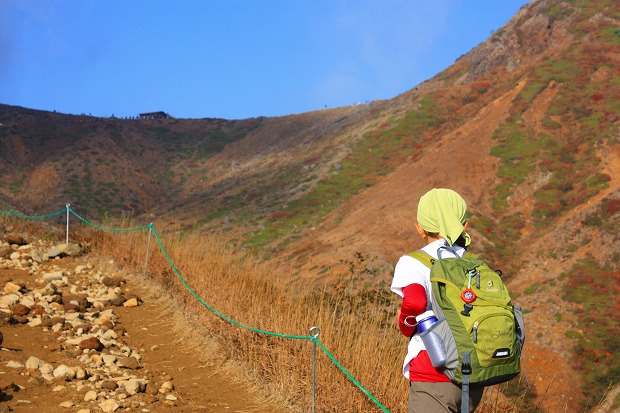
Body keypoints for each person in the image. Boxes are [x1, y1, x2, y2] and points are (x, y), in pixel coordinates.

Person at [391, 188, 484, 413]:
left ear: (420, 228)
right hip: (473, 369)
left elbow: (414, 302)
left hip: (434, 367)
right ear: (465, 226)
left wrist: (404, 324)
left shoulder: (413, 262)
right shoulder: (475, 263)